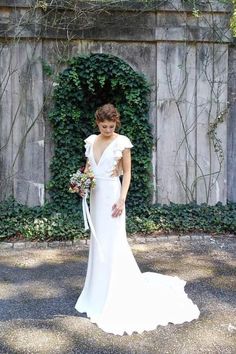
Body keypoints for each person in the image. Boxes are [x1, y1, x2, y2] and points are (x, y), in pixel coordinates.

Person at [74, 103, 200, 335]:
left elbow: (127, 172)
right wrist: (81, 185)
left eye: (111, 126)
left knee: (114, 242)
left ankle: (116, 292)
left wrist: (122, 199)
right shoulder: (91, 141)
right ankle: (96, 292)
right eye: (104, 126)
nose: (108, 130)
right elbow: (89, 170)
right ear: (97, 123)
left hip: (112, 195)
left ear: (116, 124)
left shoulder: (122, 142)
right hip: (95, 195)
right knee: (98, 242)